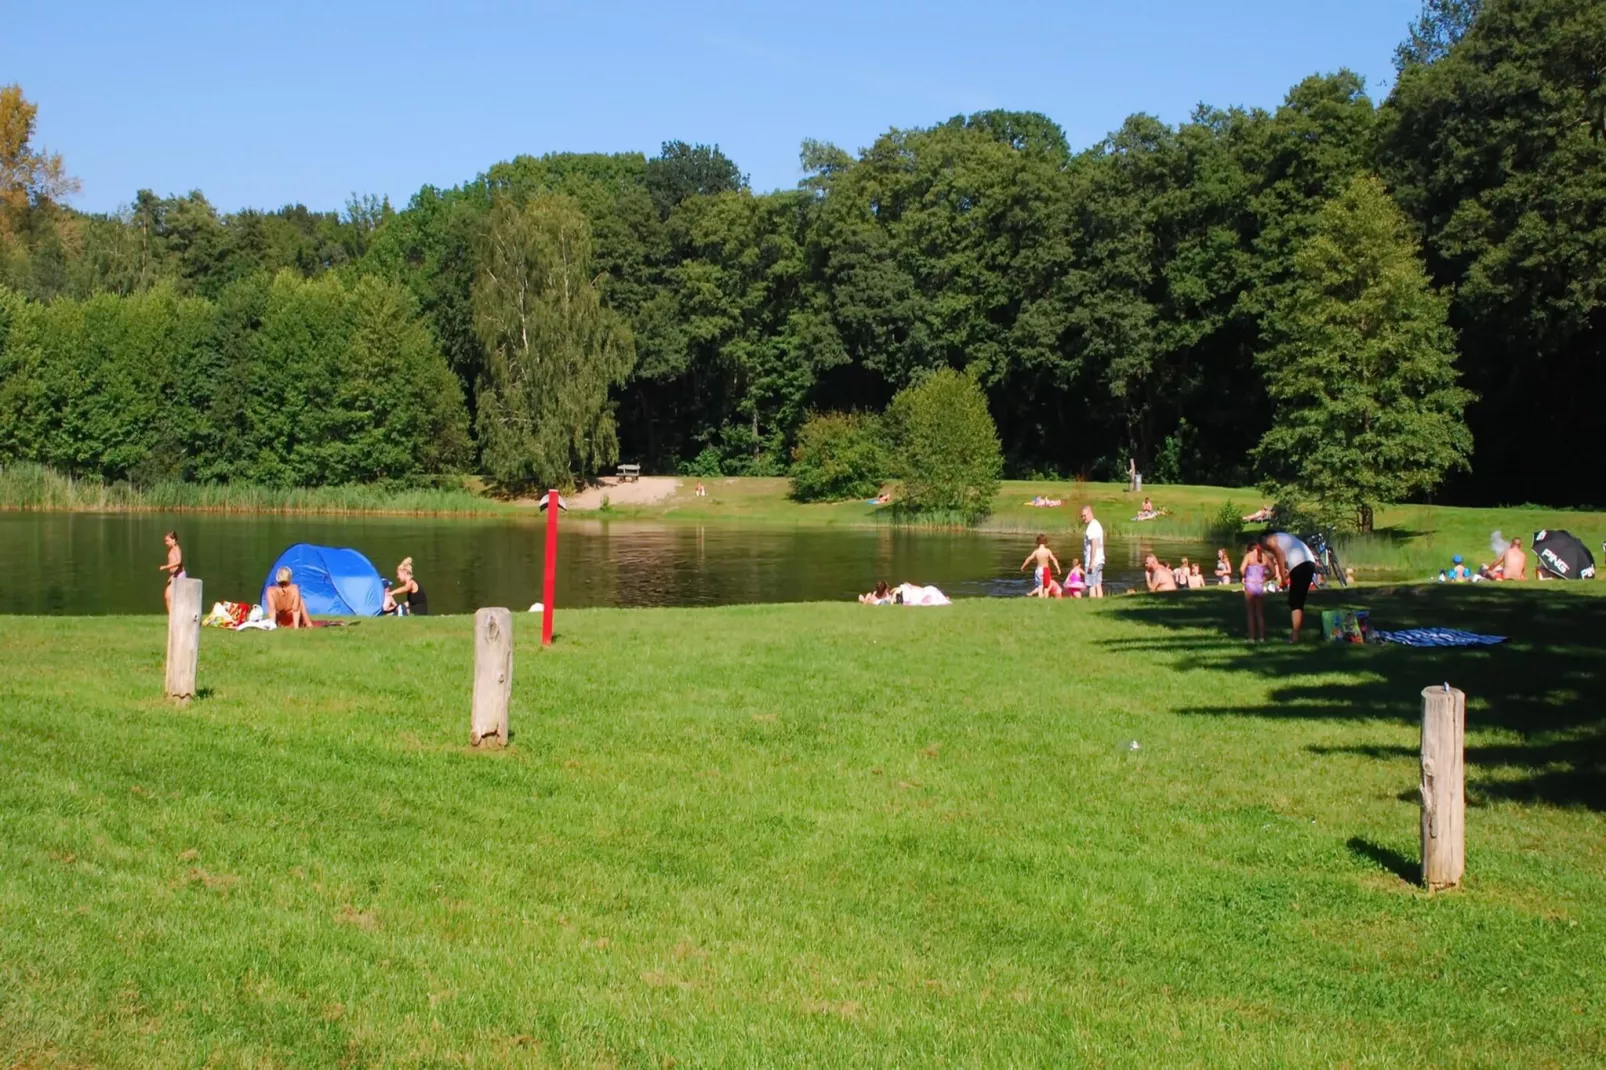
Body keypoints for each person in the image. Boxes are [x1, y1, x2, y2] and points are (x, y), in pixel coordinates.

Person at [1260, 531, 1318, 643]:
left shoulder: (1271, 539)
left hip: (1300, 563)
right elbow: (1286, 556)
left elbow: (1280, 554)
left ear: (1264, 538)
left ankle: (1295, 636)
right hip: (1309, 562)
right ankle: (1296, 634)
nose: (1264, 548)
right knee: (1298, 600)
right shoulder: (1283, 537)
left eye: (1262, 544)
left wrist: (1283, 577)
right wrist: (1287, 573)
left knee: (1295, 601)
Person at [1240, 541, 1269, 642]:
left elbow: (1241, 569)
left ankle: (1252, 637)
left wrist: (1244, 576)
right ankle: (1261, 637)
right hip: (1259, 584)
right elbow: (1273, 571)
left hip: (1250, 583)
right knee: (1260, 613)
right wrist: (1265, 578)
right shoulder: (1265, 557)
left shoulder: (1249, 556)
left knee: (1250, 613)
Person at [1081, 506, 1106, 598]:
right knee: (1098, 584)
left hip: (1093, 561)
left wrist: (1091, 563)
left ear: (1090, 513)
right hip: (1100, 560)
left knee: (1091, 585)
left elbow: (1094, 543)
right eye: (1082, 516)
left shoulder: (1092, 527)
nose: (1083, 518)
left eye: (1085, 515)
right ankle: (1100, 603)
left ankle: (1093, 604)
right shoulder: (1097, 524)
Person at [158, 531, 185, 613]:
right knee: (168, 596)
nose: (166, 543)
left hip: (179, 575)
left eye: (168, 541)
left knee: (170, 596)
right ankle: (172, 615)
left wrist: (166, 566)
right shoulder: (171, 549)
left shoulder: (176, 548)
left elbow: (179, 561)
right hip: (174, 575)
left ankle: (173, 616)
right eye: (165, 541)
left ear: (174, 540)